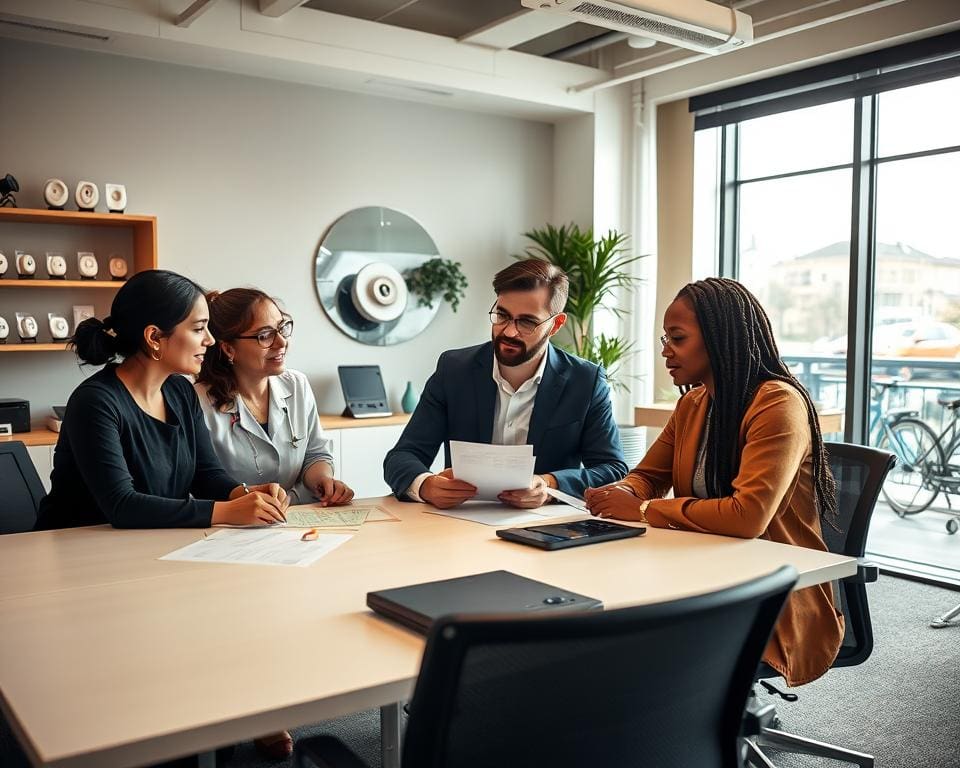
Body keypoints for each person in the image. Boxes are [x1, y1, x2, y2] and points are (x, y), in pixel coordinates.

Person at [584, 277, 844, 687]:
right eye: (664, 338)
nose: (666, 350)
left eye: (678, 338)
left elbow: (748, 517)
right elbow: (649, 475)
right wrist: (624, 492)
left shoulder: (777, 403)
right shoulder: (693, 402)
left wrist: (644, 509)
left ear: (721, 338)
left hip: (771, 591)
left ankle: (680, 734)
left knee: (629, 633)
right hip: (703, 566)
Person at [35, 270, 288, 531]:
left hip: (148, 544)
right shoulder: (95, 402)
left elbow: (206, 475)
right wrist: (227, 511)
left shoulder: (181, 391)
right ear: (154, 337)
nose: (210, 340)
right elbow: (122, 506)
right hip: (76, 548)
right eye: (199, 328)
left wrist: (243, 494)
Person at [384, 258, 627, 509]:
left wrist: (549, 485)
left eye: (527, 322)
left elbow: (613, 469)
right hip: (458, 527)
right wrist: (425, 485)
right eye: (502, 315)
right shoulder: (453, 370)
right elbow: (402, 457)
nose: (509, 332)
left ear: (555, 324)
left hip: (545, 531)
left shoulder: (585, 381)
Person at [195, 288, 352, 507]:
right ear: (229, 349)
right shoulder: (199, 403)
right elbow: (202, 482)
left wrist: (324, 480)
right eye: (265, 335)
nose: (281, 343)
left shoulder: (297, 385)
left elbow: (315, 454)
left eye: (281, 329)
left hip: (298, 515)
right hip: (233, 526)